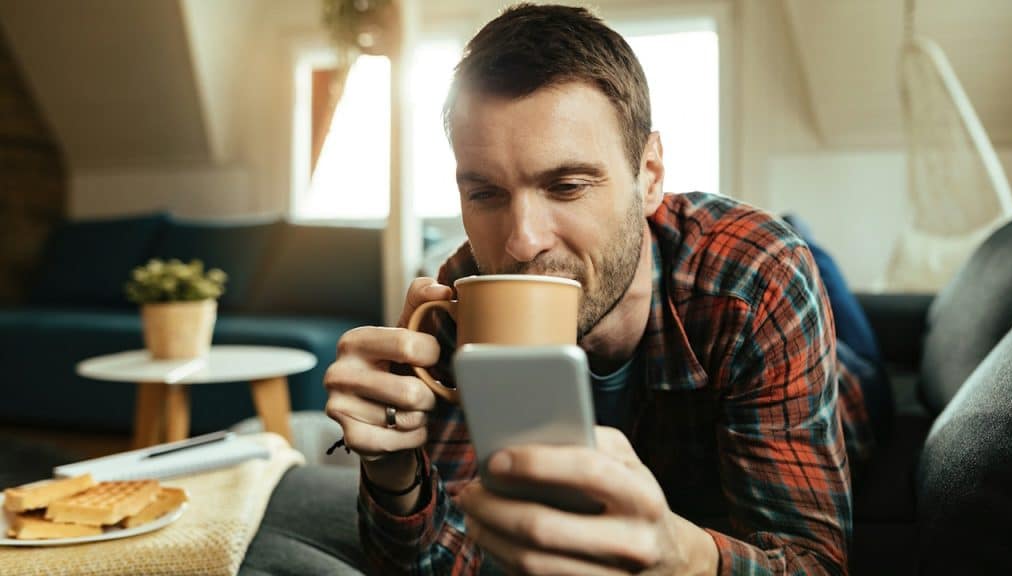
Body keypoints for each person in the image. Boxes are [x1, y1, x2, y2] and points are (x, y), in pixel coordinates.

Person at [325, 4, 870, 574]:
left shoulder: (757, 278)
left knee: (819, 279)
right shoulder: (461, 296)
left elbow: (814, 563)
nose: (522, 243)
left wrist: (678, 556)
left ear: (650, 176)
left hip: (844, 375)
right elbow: (448, 560)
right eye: (485, 194)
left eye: (566, 186)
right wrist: (394, 474)